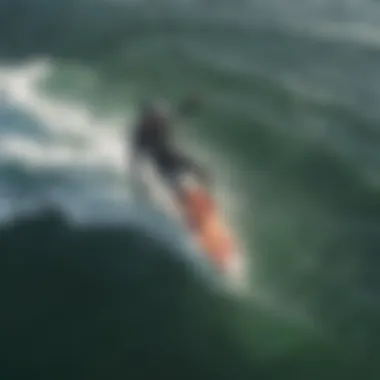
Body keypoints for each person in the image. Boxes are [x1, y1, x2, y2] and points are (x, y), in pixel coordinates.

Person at [131, 95, 210, 204]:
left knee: (200, 171)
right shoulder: (140, 134)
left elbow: (180, 114)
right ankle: (184, 203)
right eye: (155, 118)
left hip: (174, 156)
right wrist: (140, 184)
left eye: (159, 118)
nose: (159, 121)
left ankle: (204, 196)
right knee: (175, 184)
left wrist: (192, 104)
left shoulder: (163, 122)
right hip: (161, 165)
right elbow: (136, 159)